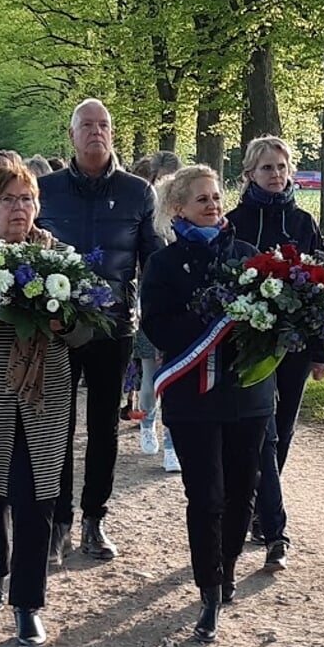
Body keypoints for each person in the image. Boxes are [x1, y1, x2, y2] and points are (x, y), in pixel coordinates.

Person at [0, 159, 95, 647]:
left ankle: (28, 604)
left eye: (27, 199)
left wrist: (61, 324)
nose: (19, 208)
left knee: (36, 499)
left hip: (42, 397)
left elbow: (86, 330)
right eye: (9, 200)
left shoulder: (62, 260)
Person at [139, 164, 274, 642]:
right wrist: (212, 326)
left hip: (247, 395)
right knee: (207, 496)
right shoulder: (162, 265)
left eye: (216, 197)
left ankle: (228, 564)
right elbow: (158, 325)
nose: (213, 205)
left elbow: (271, 323)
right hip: (193, 398)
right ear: (179, 209)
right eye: (202, 199)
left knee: (243, 488)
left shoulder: (248, 255)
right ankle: (209, 588)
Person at [37, 99, 160, 564]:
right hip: (55, 325)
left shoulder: (137, 192)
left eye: (103, 125)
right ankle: (58, 522)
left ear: (113, 133)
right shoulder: (45, 189)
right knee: (56, 426)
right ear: (71, 135)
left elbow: (152, 258)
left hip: (113, 325)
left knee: (104, 427)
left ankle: (94, 519)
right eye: (86, 125)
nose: (95, 132)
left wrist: (160, 313)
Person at [227, 136, 324, 571]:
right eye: (266, 168)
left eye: (281, 167)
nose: (275, 174)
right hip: (249, 345)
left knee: (283, 429)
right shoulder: (233, 223)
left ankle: (258, 505)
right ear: (249, 173)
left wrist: (323, 350)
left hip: (295, 344)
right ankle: (273, 522)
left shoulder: (304, 221)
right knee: (263, 430)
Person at [134, 151, 184, 474]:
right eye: (163, 179)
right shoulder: (147, 216)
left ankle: (171, 445)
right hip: (152, 305)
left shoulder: (189, 213)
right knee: (151, 378)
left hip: (183, 307)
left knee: (178, 377)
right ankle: (146, 421)